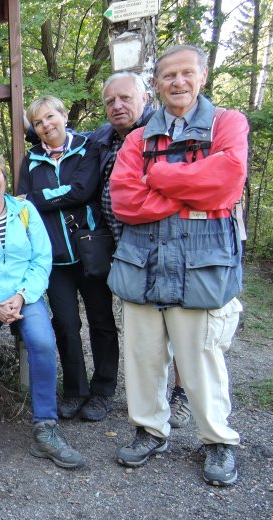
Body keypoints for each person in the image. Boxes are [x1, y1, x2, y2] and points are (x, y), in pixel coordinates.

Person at [109, 45, 245, 486]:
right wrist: (191, 191)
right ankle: (150, 430)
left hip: (201, 261)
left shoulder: (228, 123)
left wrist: (160, 177)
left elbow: (226, 181)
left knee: (201, 356)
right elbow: (125, 200)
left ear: (202, 76)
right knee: (143, 355)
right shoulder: (137, 138)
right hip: (143, 260)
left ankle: (218, 441)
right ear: (157, 83)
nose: (178, 82)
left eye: (186, 73)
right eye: (169, 75)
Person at [0, 150, 84, 471]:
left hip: (25, 294)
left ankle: (46, 428)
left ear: (4, 175)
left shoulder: (25, 211)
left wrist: (22, 297)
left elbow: (42, 259)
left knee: (41, 342)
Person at [91, 73, 193, 427]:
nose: (117, 106)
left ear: (145, 97)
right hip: (124, 250)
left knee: (179, 320)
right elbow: (67, 139)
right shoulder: (104, 138)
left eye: (125, 98)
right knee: (144, 331)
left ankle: (182, 394)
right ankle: (150, 404)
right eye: (110, 101)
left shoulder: (166, 132)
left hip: (165, 245)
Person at [18, 95, 119, 423]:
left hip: (89, 251)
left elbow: (82, 189)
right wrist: (41, 200)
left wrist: (39, 197)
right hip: (54, 260)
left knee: (101, 322)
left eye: (50, 117)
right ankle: (75, 391)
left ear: (63, 115)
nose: (46, 126)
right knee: (65, 325)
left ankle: (103, 391)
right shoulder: (31, 159)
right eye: (38, 122)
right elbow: (24, 206)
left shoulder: (87, 147)